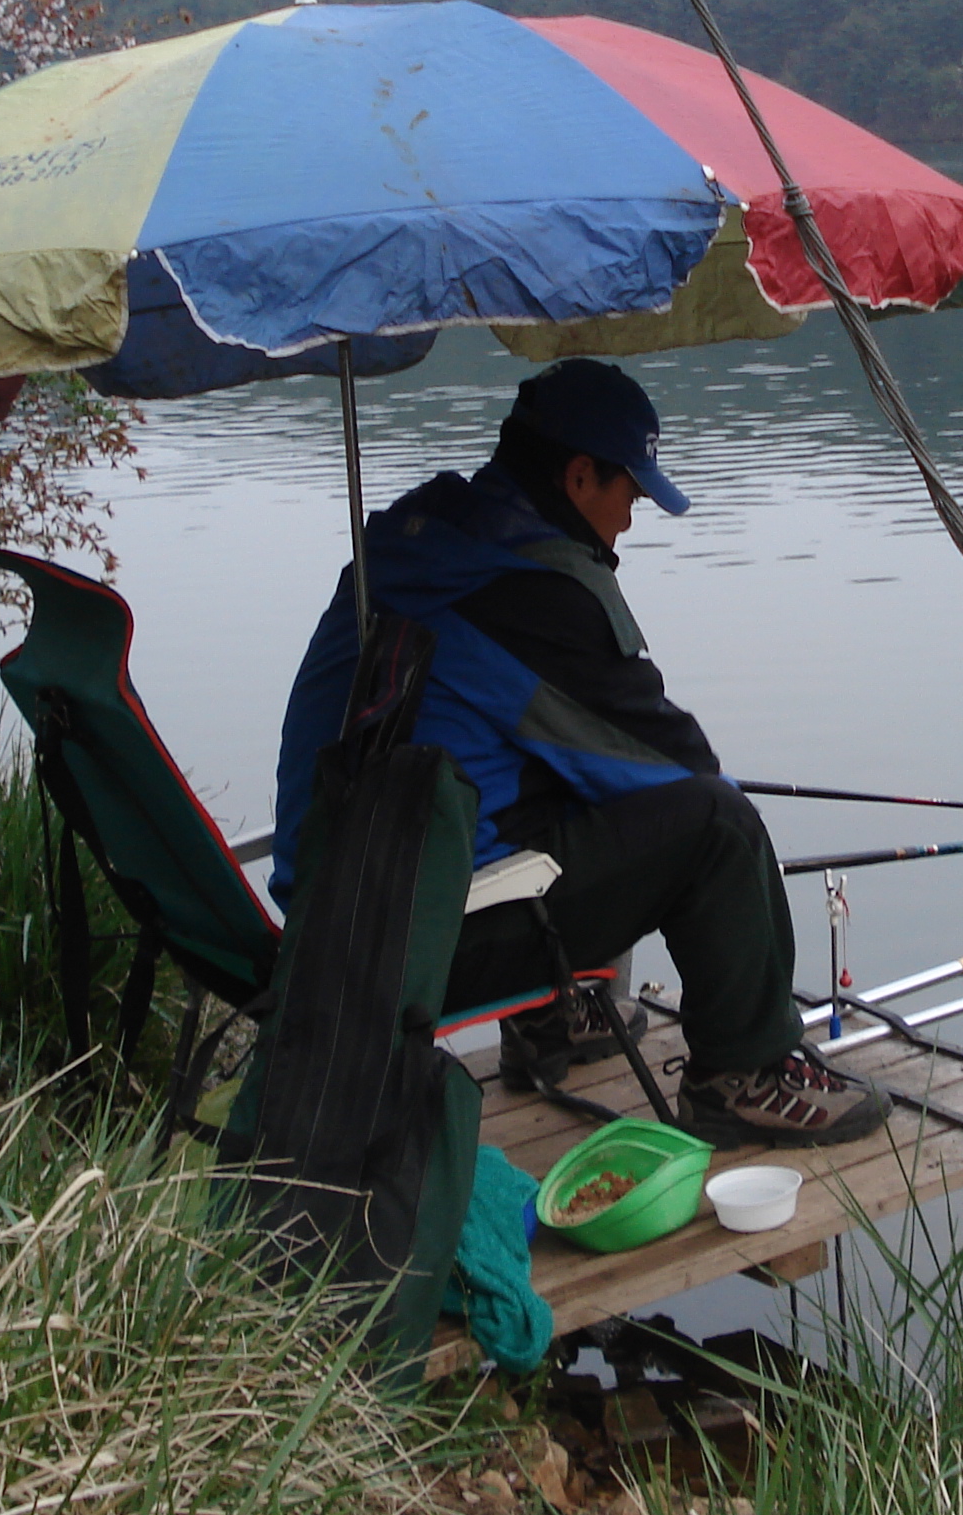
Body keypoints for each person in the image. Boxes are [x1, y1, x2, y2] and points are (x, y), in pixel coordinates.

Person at [270, 358, 888, 1148]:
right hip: (417, 943)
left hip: (327, 901)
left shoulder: (422, 537)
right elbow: (674, 769)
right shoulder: (536, 593)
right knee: (719, 828)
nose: (629, 521)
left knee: (522, 769)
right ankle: (746, 1073)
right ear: (578, 477)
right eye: (628, 493)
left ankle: (550, 1015)